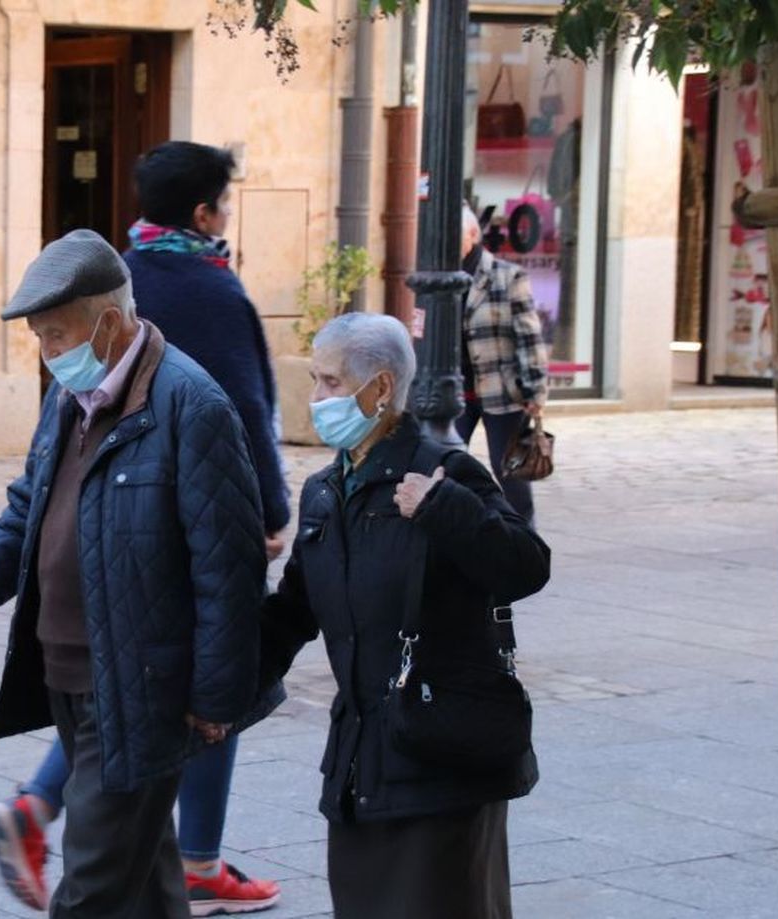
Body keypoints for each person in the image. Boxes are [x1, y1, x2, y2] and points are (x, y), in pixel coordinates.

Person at [0, 141, 288, 916]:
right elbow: (31, 499)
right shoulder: (69, 398)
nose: (49, 356)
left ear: (112, 323)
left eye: (57, 337)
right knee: (145, 876)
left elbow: (228, 569)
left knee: (91, 880)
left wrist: (217, 696)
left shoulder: (192, 404)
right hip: (72, 666)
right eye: (41, 340)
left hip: (144, 673)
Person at [257, 312, 550, 919]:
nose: (316, 398)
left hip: (443, 759)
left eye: (331, 382)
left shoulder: (444, 469)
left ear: (381, 388)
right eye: (315, 380)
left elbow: (526, 565)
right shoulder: (324, 491)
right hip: (362, 762)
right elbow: (291, 616)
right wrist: (211, 688)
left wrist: (444, 507)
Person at [459, 205, 549, 525]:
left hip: (501, 390)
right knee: (444, 464)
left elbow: (529, 337)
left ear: (472, 234)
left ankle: (524, 538)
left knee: (510, 472)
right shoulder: (440, 274)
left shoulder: (507, 276)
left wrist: (535, 391)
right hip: (455, 394)